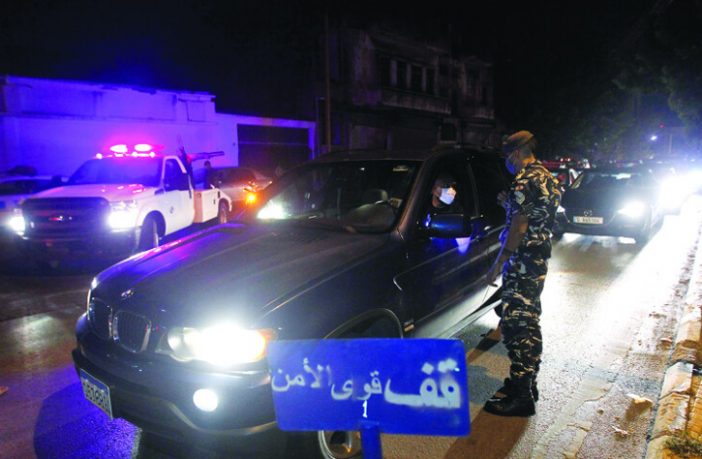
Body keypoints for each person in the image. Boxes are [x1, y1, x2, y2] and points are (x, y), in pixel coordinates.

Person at [484, 130, 561, 417]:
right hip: (537, 260)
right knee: (529, 320)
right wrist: (510, 203)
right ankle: (526, 382)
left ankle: (522, 397)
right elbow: (536, 214)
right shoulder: (546, 177)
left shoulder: (524, 180)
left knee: (517, 325)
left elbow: (519, 228)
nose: (507, 161)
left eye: (508, 156)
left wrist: (498, 262)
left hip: (522, 261)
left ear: (516, 153)